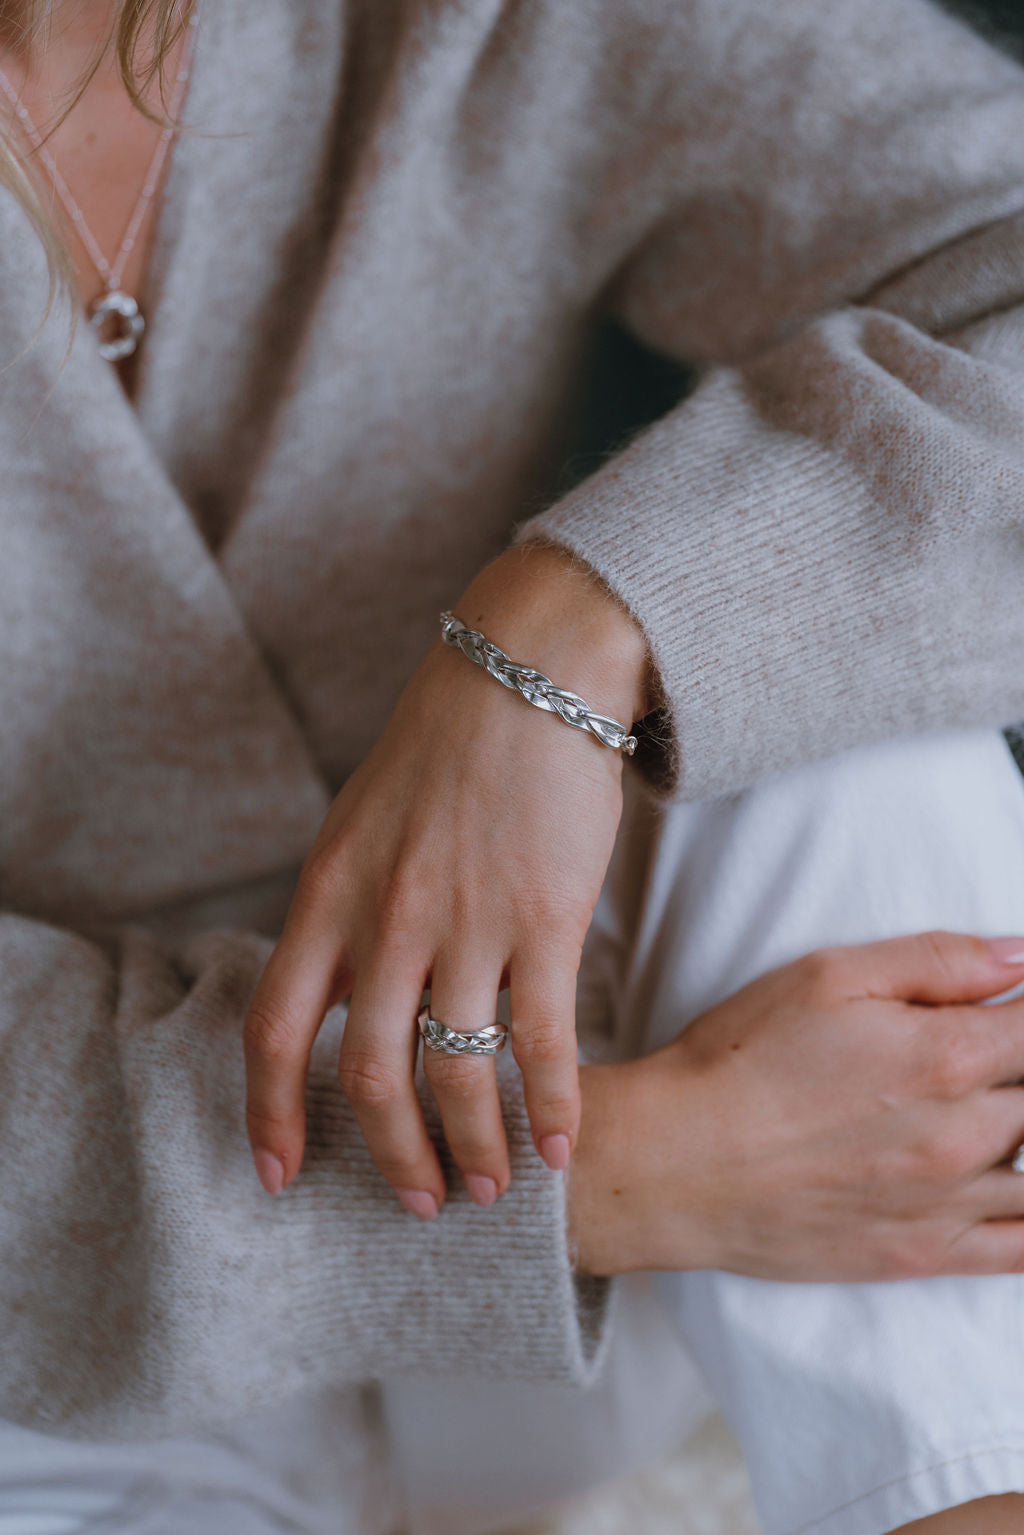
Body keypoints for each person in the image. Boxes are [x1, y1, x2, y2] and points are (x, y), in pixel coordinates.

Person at [3, 0, 1024, 1532]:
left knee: (831, 644)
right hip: (56, 1369)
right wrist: (630, 1172)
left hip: (626, 1192)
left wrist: (571, 639)